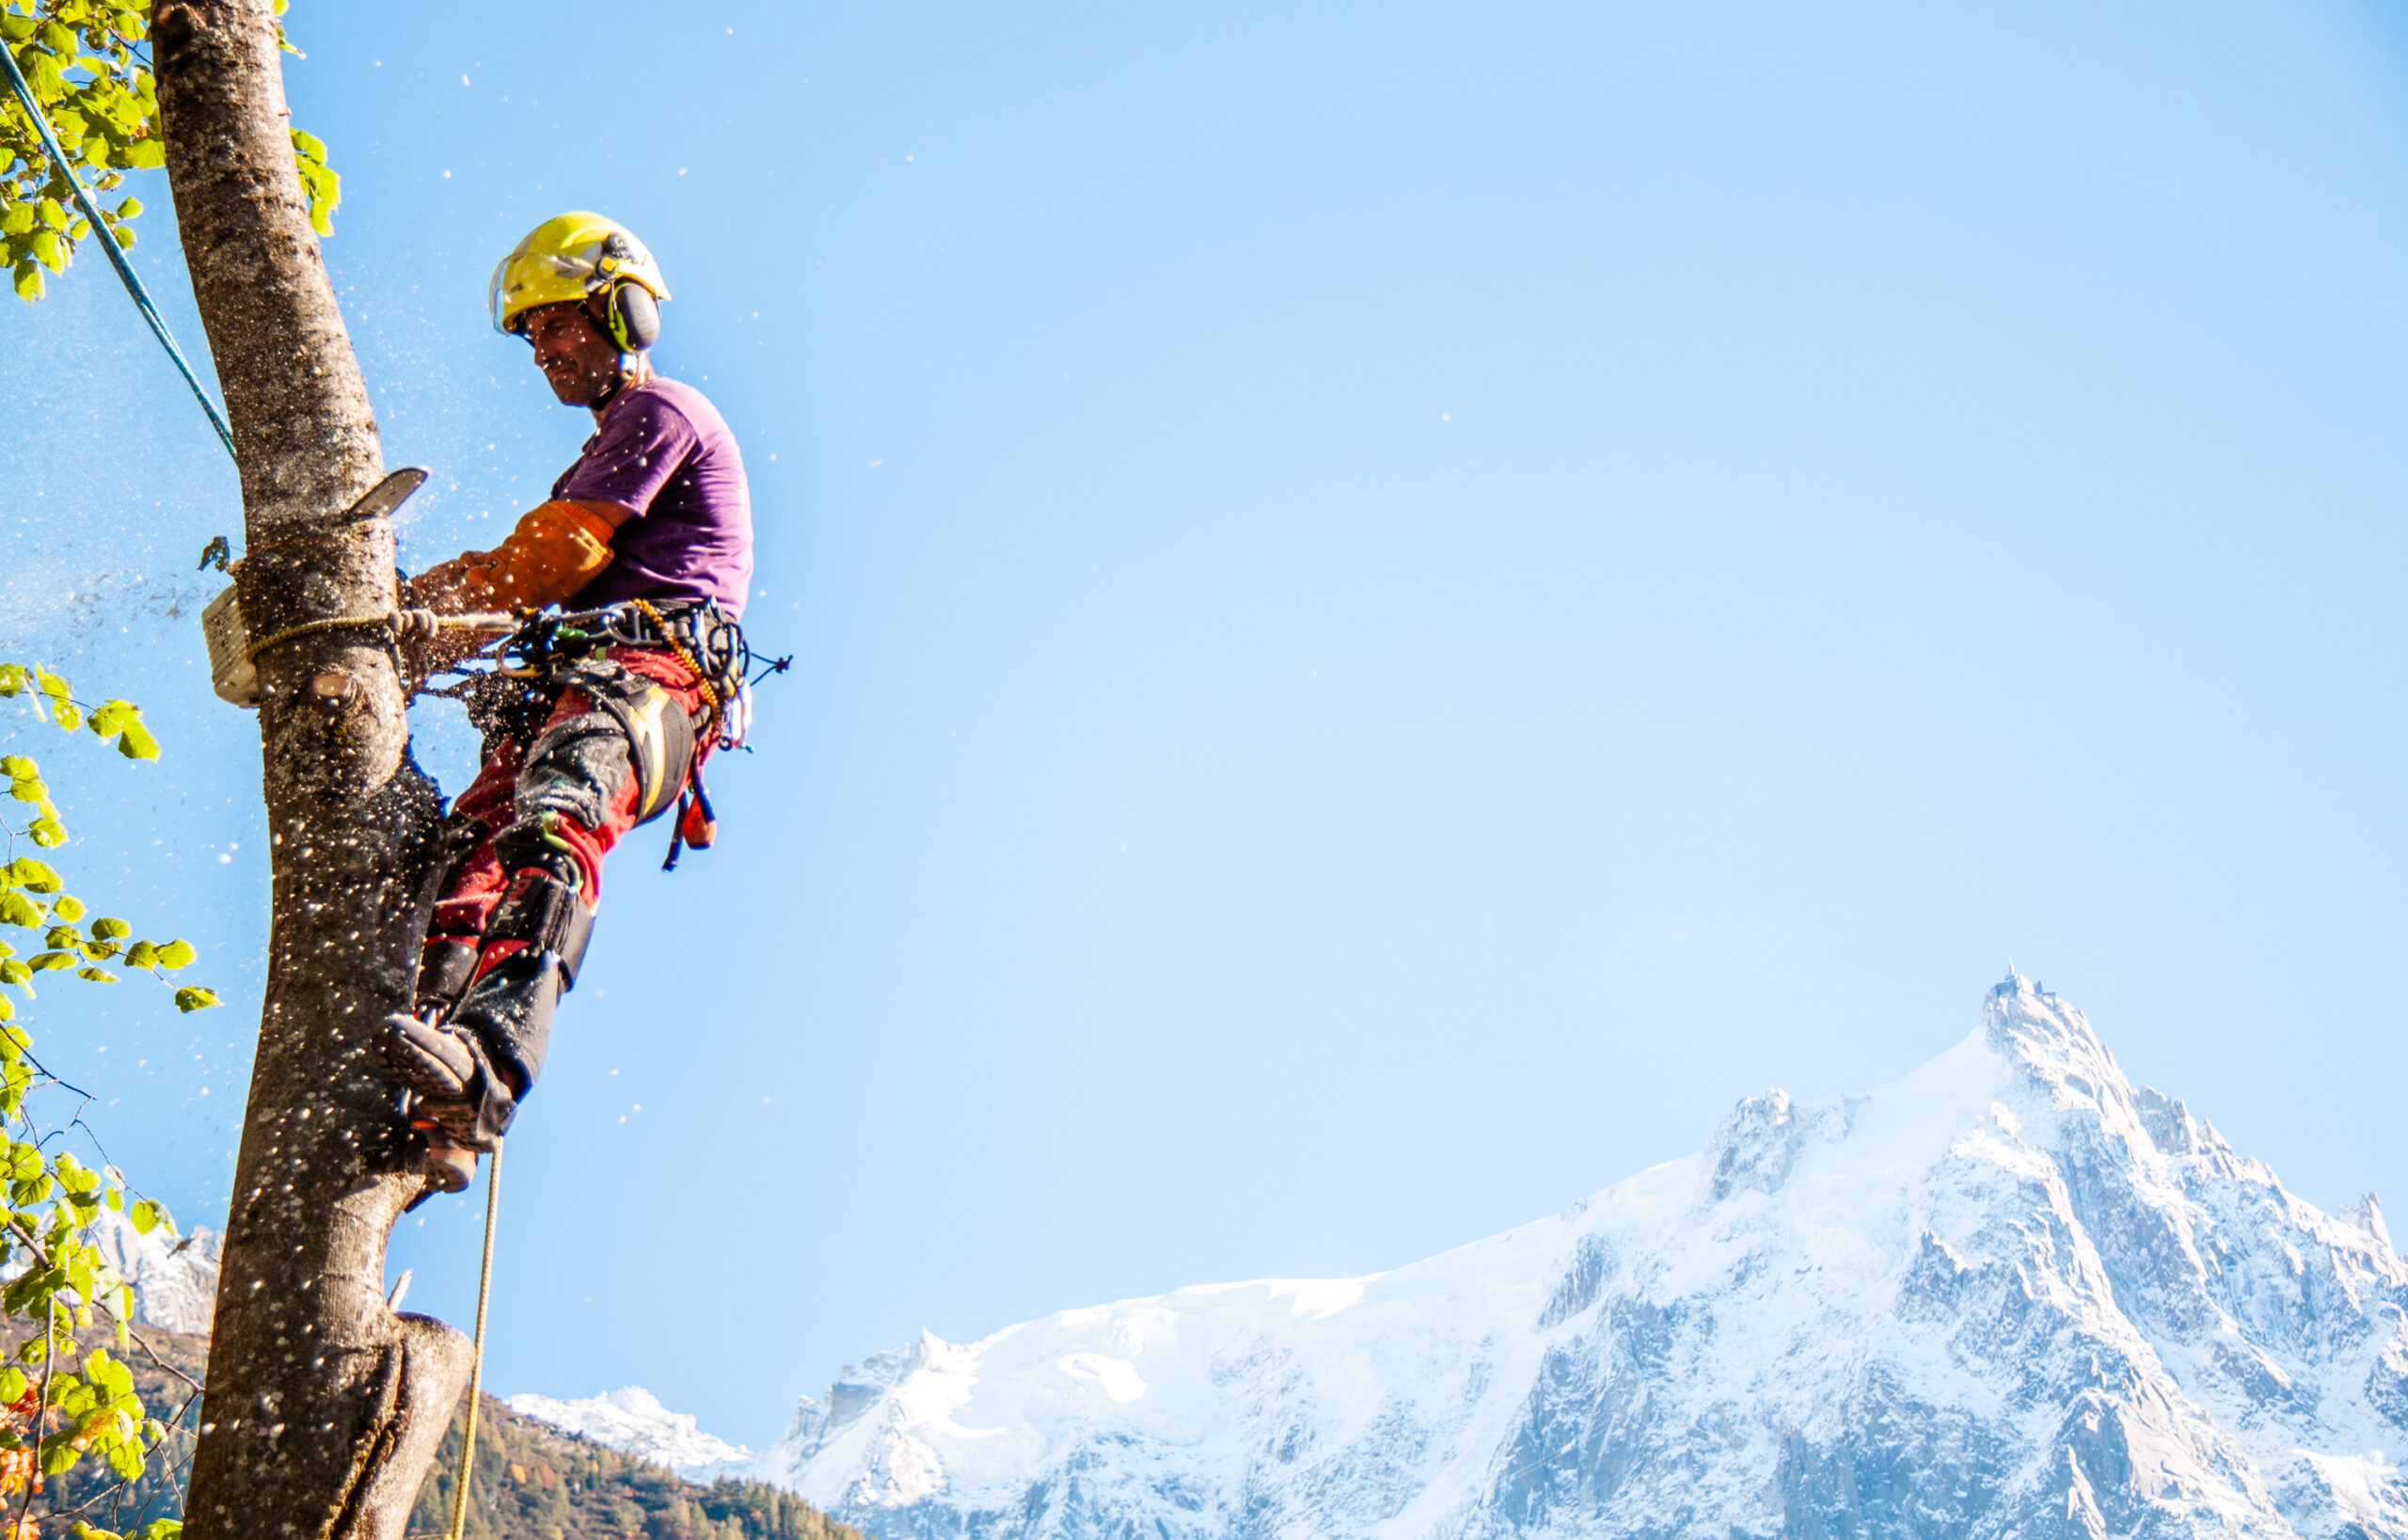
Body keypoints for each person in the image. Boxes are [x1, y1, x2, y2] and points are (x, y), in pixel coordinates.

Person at [375, 211, 754, 1199]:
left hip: (643, 682)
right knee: (466, 859)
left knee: (556, 822)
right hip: (574, 689)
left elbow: (554, 557)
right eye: (531, 334)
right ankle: (433, 1091)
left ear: (619, 312)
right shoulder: (599, 448)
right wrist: (415, 615)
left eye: (557, 325)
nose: (542, 349)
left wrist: (414, 613)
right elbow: (529, 571)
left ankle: (493, 1056)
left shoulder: (662, 412)